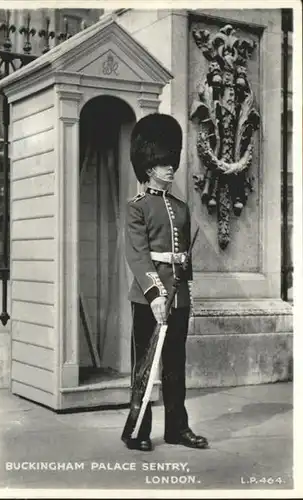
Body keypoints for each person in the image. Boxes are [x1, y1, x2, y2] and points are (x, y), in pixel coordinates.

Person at [122, 113, 209, 452]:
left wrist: (184, 286)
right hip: (148, 298)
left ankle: (177, 428)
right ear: (148, 166)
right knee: (144, 366)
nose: (170, 167)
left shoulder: (181, 208)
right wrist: (156, 294)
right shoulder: (138, 208)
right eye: (162, 162)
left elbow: (182, 257)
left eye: (171, 160)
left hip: (179, 298)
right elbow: (137, 255)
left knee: (175, 365)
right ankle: (137, 430)